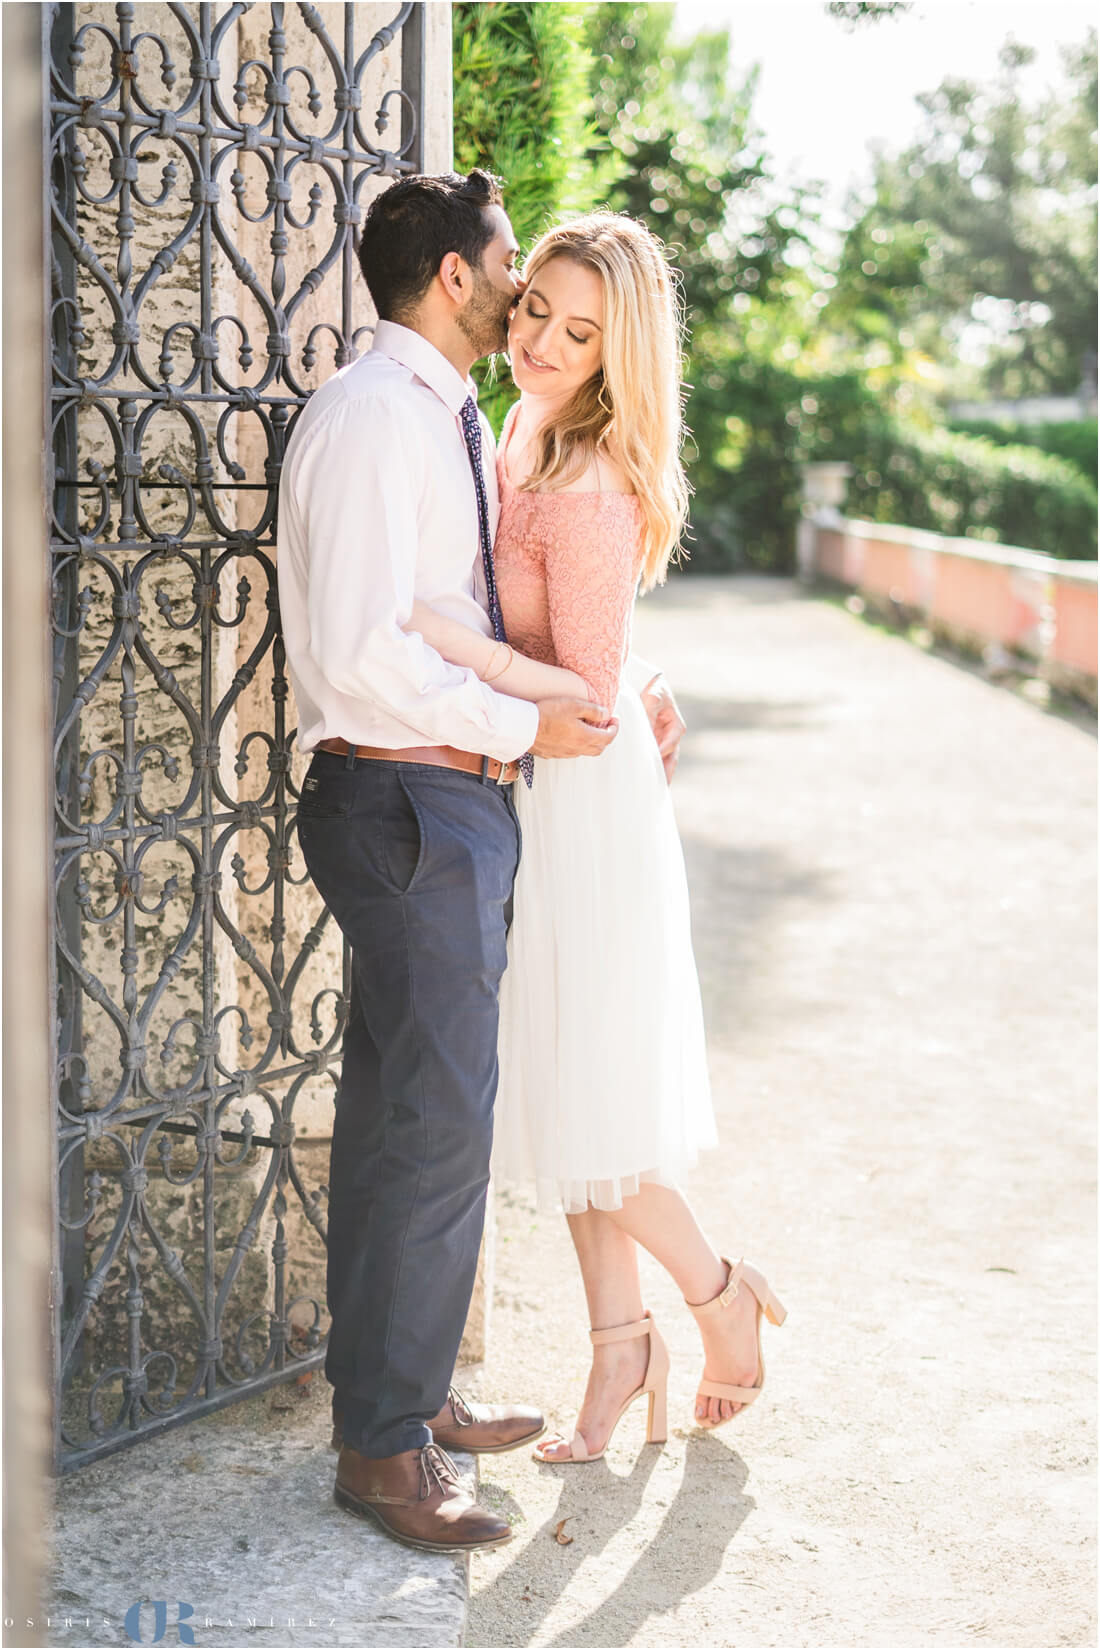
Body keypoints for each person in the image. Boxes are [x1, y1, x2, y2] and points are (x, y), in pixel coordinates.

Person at [403, 213, 787, 1465]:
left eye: (580, 335)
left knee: (585, 1106)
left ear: (619, 355)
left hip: (578, 798)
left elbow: (587, 678)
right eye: (535, 314)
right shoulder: (521, 427)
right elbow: (594, 649)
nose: (545, 346)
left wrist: (465, 657)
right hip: (538, 781)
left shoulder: (587, 476)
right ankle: (618, 1347)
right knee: (571, 1096)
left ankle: (721, 1295)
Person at [276, 170, 622, 1554]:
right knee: (433, 1127)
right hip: (409, 795)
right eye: (504, 267)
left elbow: (458, 611)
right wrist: (511, 725)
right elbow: (360, 650)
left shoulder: (437, 416)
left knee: (404, 1120)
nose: (519, 292)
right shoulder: (375, 419)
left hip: (442, 792)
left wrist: (580, 698)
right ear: (455, 279)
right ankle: (382, 1448)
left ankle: (399, 1399)